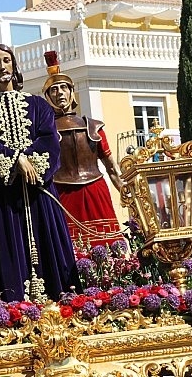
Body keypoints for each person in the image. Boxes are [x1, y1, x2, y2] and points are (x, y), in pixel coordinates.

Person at [0, 44, 80, 303]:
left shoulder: (38, 105)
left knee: (52, 247)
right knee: (7, 250)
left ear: (14, 66)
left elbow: (49, 138)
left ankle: (64, 304)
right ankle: (14, 311)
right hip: (3, 195)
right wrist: (16, 160)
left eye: (6, 60)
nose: (2, 66)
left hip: (40, 191)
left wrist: (32, 165)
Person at [42, 50, 124, 247]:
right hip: (62, 193)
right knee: (69, 248)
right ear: (47, 96)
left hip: (95, 190)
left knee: (109, 248)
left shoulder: (93, 126)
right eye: (53, 89)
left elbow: (112, 167)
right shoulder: (45, 132)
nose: (59, 92)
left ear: (71, 92)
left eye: (63, 87)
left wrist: (127, 194)